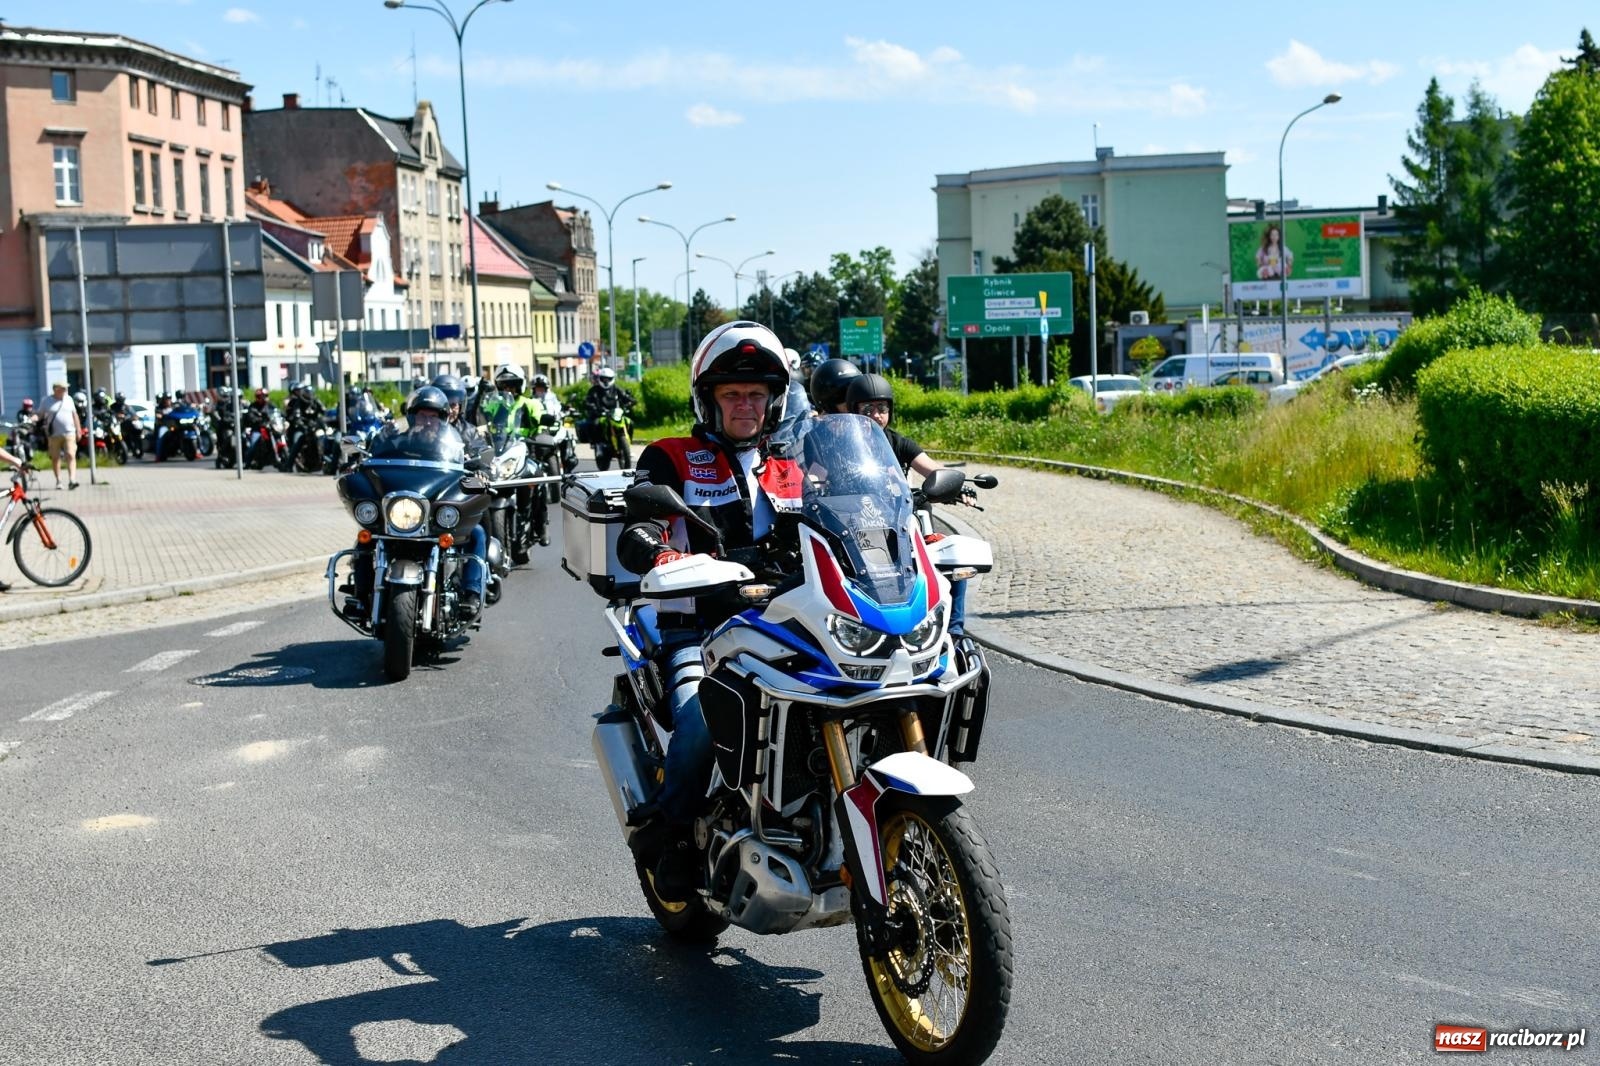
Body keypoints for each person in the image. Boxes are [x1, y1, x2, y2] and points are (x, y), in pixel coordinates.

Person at [617, 321, 800, 900]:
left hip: (782, 619)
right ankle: (668, 834)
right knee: (703, 714)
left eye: (756, 394)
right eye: (732, 395)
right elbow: (638, 526)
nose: (746, 405)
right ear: (710, 401)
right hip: (695, 625)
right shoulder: (673, 456)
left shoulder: (794, 464)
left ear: (774, 402)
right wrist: (660, 550)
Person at [844, 372, 972, 636]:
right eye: (868, 409)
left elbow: (932, 469)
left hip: (904, 524)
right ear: (853, 410)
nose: (876, 415)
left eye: (882, 408)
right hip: (859, 528)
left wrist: (956, 485)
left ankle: (955, 633)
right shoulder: (840, 445)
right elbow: (813, 477)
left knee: (955, 561)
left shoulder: (898, 442)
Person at [38, 382, 80, 490]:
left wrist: (78, 430)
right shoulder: (46, 401)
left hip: (69, 432)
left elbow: (74, 415)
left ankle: (72, 480)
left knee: (71, 454)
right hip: (53, 435)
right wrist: (31, 419)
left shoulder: (69, 399)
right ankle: (58, 480)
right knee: (55, 458)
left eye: (66, 388)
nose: (65, 390)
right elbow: (39, 415)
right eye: (63, 388)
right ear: (56, 389)